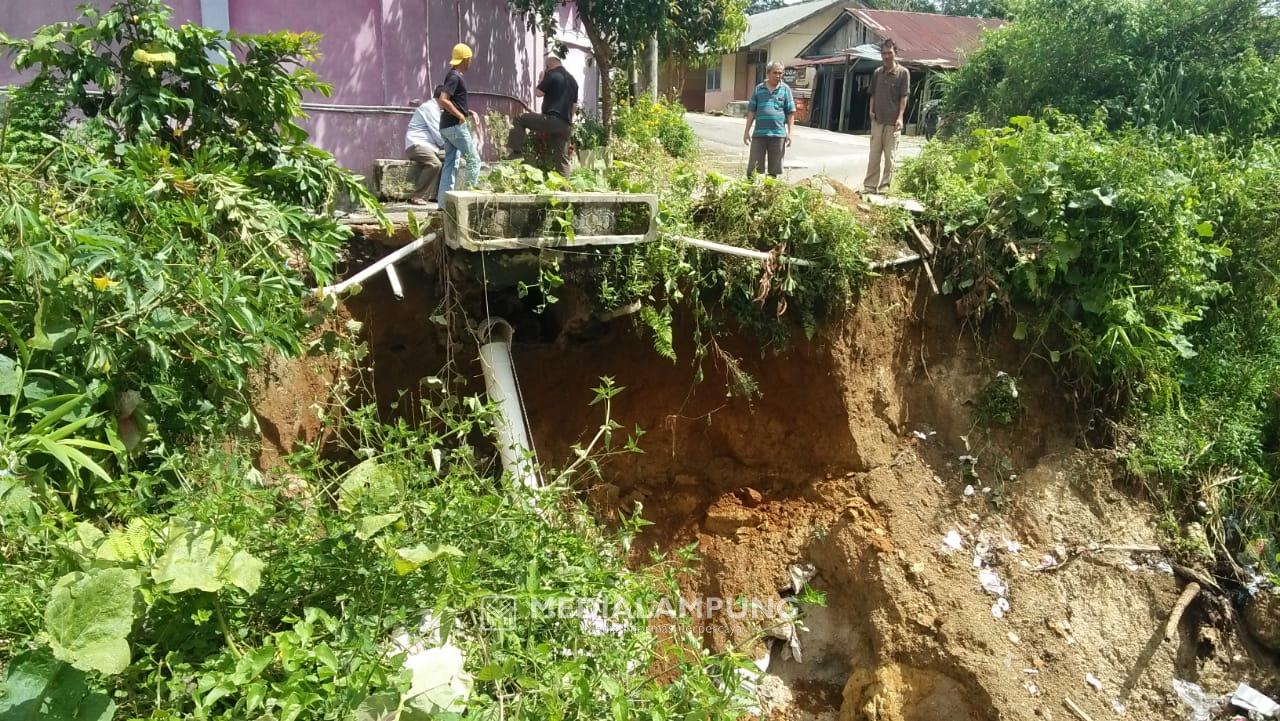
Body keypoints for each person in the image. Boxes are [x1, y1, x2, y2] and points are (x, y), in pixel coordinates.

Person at [507, 54, 579, 176]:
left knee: (520, 118)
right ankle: (565, 188)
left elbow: (538, 93)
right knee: (561, 157)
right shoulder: (573, 81)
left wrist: (541, 79)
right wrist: (568, 122)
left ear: (548, 66)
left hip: (551, 119)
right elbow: (574, 107)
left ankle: (516, 153)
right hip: (565, 125)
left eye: (546, 68)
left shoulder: (551, 74)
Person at [436, 43, 481, 206]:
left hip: (446, 126)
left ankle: (442, 204)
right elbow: (443, 100)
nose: (470, 62)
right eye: (469, 59)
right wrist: (460, 116)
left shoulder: (452, 75)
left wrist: (468, 112)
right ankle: (471, 201)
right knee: (474, 160)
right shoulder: (455, 76)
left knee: (450, 163)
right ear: (465, 59)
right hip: (455, 126)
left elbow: (455, 102)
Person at [863, 39, 910, 195]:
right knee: (874, 155)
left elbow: (904, 97)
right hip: (877, 120)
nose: (886, 56)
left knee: (890, 157)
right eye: (884, 53)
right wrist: (871, 110)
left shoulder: (903, 73)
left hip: (892, 122)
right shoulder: (877, 73)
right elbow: (873, 94)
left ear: (895, 53)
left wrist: (900, 117)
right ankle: (870, 186)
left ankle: (885, 186)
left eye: (889, 53)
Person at [742, 61, 795, 178]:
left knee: (774, 171)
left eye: (780, 73)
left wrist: (790, 133)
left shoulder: (786, 90)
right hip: (759, 134)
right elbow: (751, 111)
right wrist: (746, 131)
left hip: (778, 135)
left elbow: (791, 113)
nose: (778, 76)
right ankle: (752, 193)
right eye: (775, 72)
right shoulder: (759, 89)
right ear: (768, 73)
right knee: (753, 170)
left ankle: (770, 194)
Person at [403, 92, 446, 205]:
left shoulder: (436, 109)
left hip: (431, 147)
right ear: (442, 97)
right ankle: (417, 196)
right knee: (435, 164)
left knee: (452, 157)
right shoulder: (429, 108)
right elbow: (439, 135)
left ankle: (439, 195)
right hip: (417, 145)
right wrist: (450, 145)